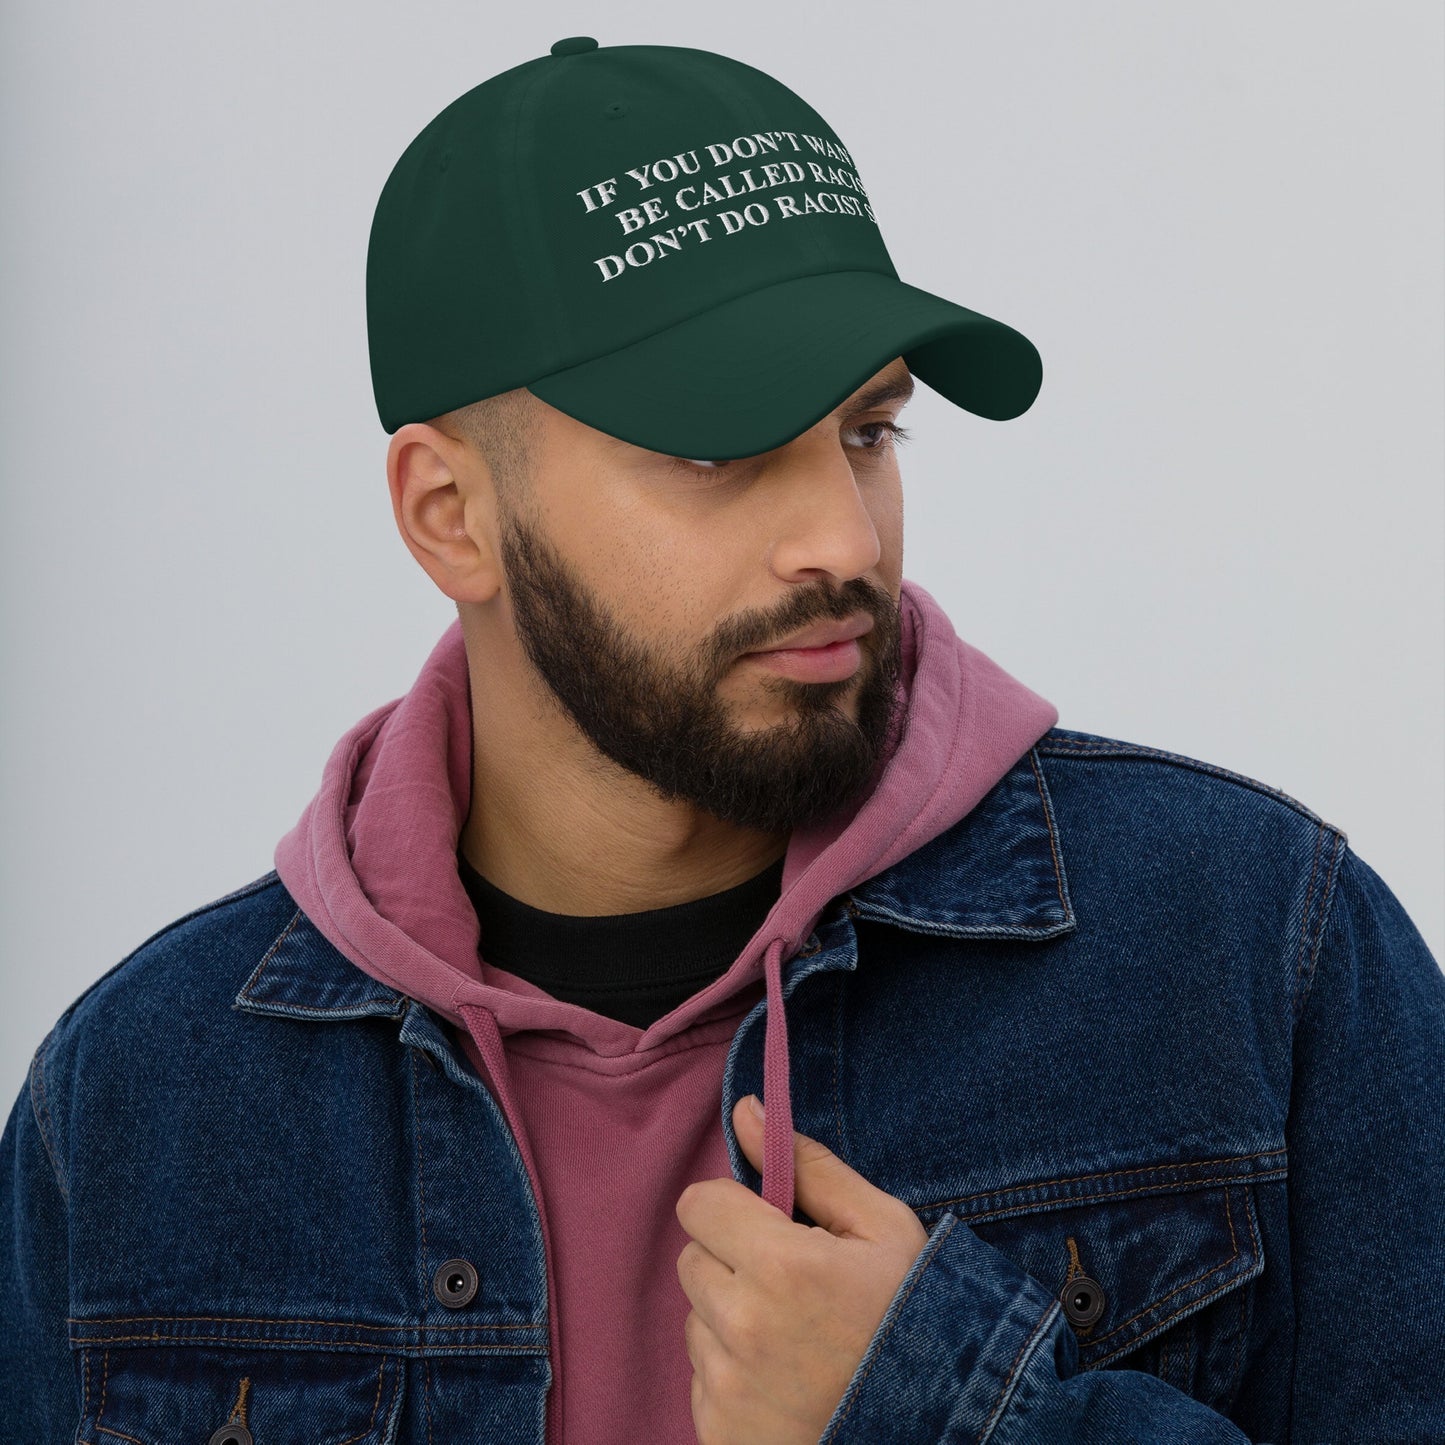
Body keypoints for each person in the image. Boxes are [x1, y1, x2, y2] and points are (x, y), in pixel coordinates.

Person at [1, 35, 1441, 1445]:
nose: (843, 541)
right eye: (717, 450)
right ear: (451, 516)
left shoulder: (1253, 949)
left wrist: (951, 1410)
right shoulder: (135, 1103)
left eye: (868, 432)